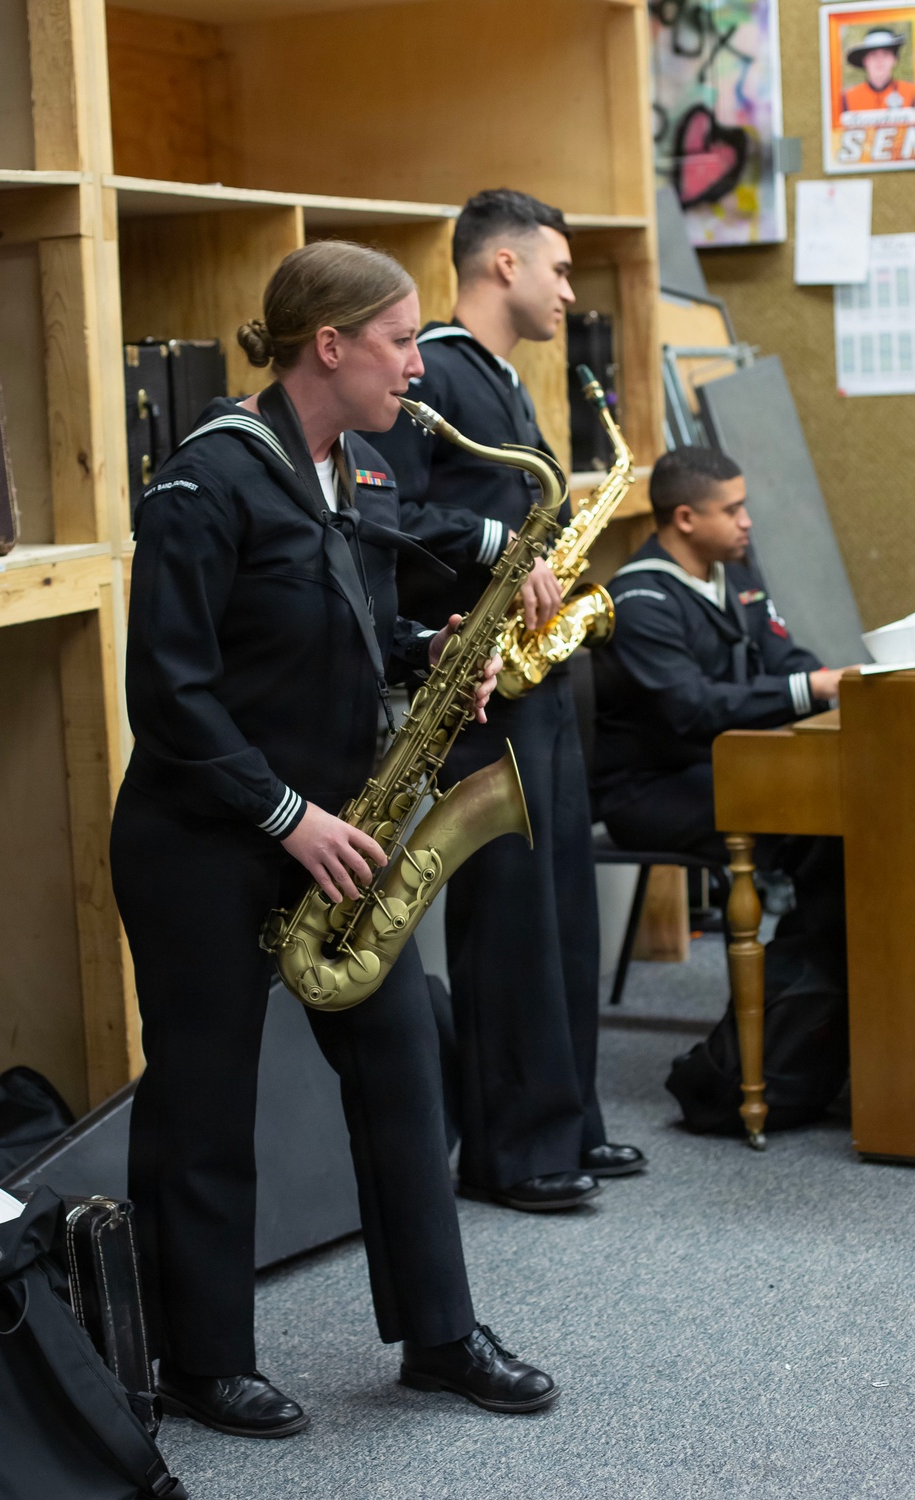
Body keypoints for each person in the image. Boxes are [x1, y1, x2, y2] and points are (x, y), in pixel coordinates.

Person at [111, 240, 561, 1439]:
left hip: (341, 837)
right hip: (205, 840)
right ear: (330, 345)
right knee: (206, 1103)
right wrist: (285, 818)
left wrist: (435, 664)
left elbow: (351, 634)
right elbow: (168, 694)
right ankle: (201, 1361)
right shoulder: (207, 483)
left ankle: (440, 1336)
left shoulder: (355, 471)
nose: (417, 367)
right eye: (401, 342)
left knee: (405, 1076)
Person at [367, 189, 645, 1216]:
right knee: (513, 918)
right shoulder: (428, 367)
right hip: (478, 681)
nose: (570, 291)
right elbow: (382, 514)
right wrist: (496, 548)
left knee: (562, 899)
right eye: (560, 271)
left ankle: (567, 1120)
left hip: (533, 668)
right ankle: (512, 1151)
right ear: (503, 268)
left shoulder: (499, 378)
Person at [591, 446, 858, 1132]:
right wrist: (808, 689)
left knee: (850, 833)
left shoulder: (733, 578)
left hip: (725, 772)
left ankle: (822, 1031)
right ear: (685, 517)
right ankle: (790, 1040)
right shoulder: (639, 598)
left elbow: (786, 657)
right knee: (826, 837)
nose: (747, 523)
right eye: (732, 510)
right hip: (650, 794)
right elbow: (693, 710)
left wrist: (826, 682)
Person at [842, 27, 915, 113]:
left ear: (894, 59)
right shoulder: (848, 98)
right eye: (873, 55)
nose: (879, 60)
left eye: (885, 54)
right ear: (865, 60)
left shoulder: (911, 93)